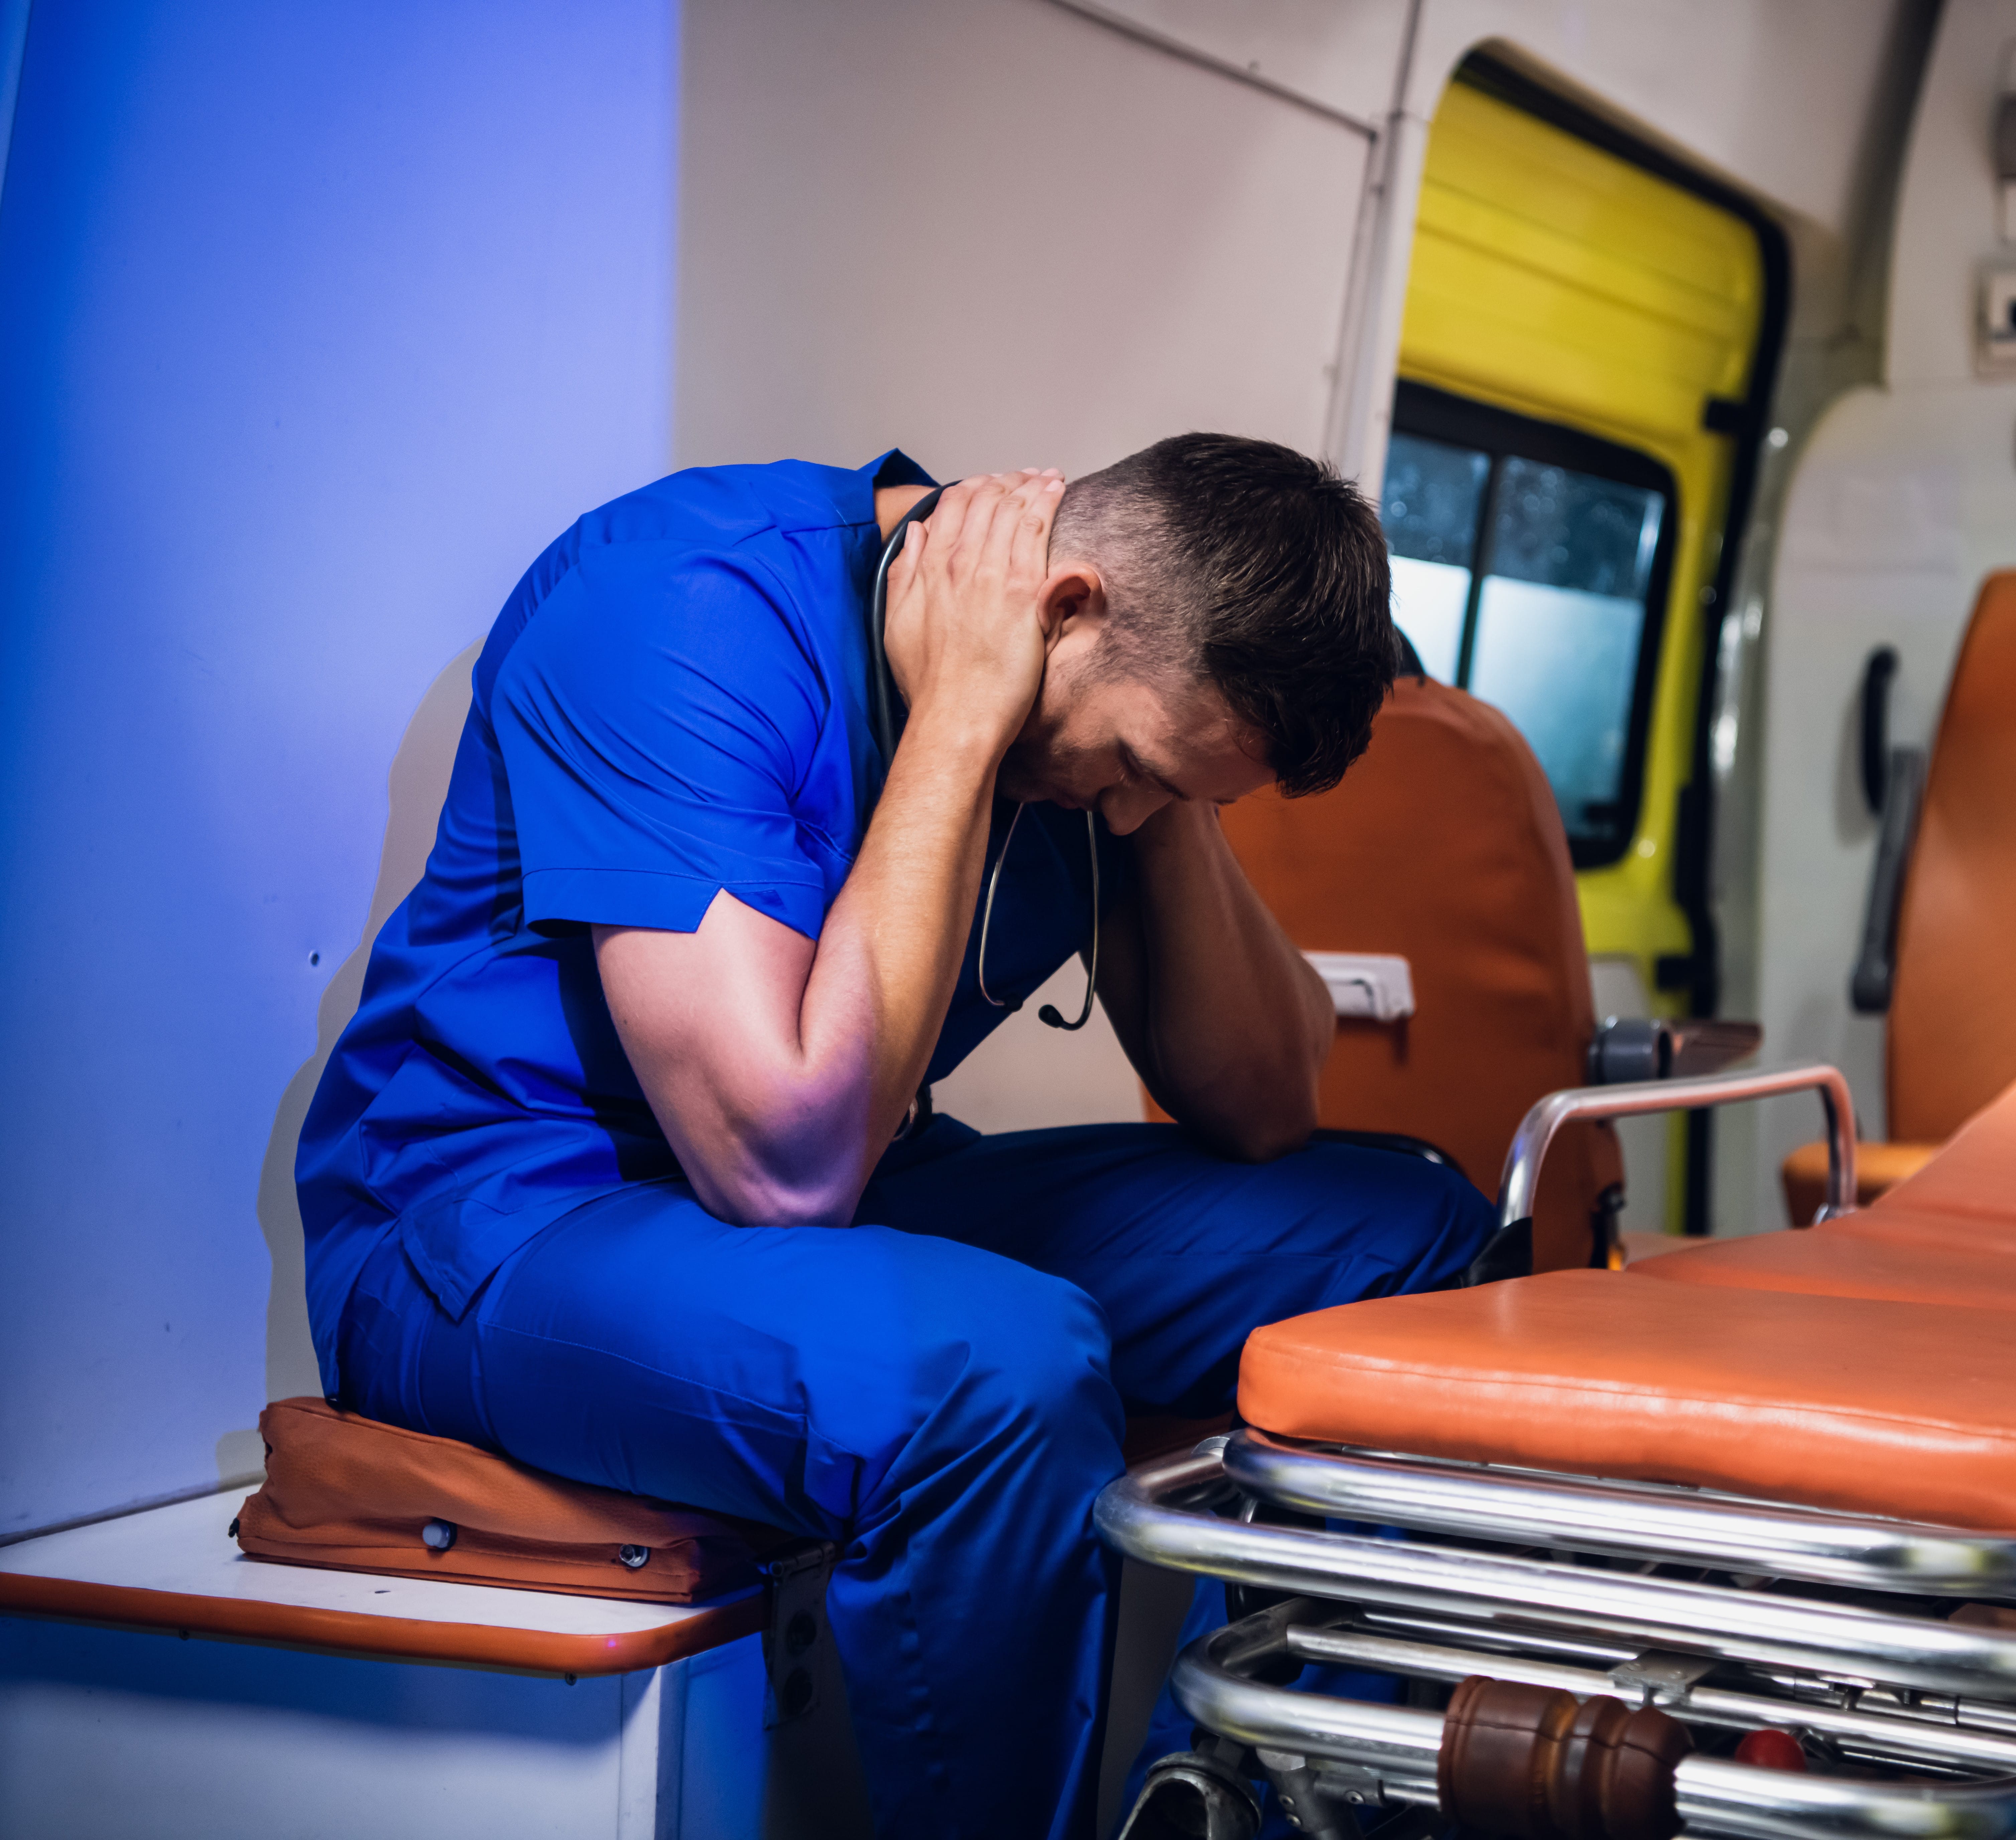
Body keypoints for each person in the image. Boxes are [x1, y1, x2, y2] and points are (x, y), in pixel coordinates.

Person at [294, 436, 1493, 1836]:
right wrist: (963, 722)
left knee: (1399, 1228)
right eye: (1131, 763)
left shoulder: (1108, 729)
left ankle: (1236, 1812)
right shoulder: (680, 611)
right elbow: (779, 1164)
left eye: (1181, 786)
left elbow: (1265, 1101)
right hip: (497, 1220)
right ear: (1065, 605)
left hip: (838, 1184)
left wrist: (1166, 810)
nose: (1118, 804)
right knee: (998, 1366)